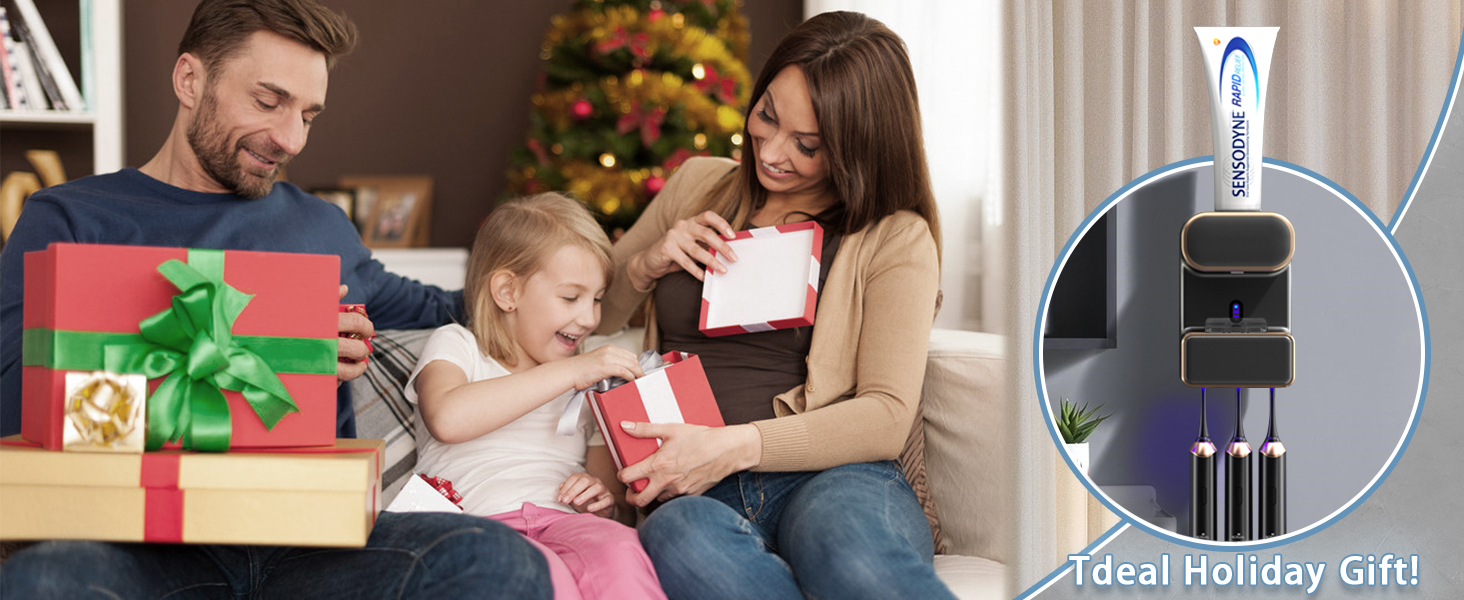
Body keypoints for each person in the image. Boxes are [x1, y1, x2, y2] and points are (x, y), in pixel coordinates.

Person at [0, 1, 550, 597]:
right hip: (144, 545)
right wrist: (268, 355)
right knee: (44, 579)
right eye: (268, 101)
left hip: (313, 542)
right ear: (191, 80)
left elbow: (474, 306)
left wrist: (635, 262)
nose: (290, 139)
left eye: (309, 115)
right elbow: (12, 405)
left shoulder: (322, 229)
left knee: (497, 559)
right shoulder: (72, 219)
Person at [595, 11, 957, 600]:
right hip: (696, 491)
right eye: (766, 115)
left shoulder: (894, 238)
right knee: (679, 538)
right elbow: (596, 313)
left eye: (807, 144)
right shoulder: (697, 186)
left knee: (850, 547)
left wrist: (735, 446)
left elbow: (887, 415)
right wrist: (645, 263)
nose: (771, 150)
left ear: (857, 149)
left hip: (835, 476)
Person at [408, 193, 666, 600]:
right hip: (479, 527)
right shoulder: (459, 345)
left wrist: (603, 501)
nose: (590, 318)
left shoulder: (591, 382)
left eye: (597, 299)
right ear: (507, 292)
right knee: (542, 580)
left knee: (621, 554)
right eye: (570, 297)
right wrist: (571, 371)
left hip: (565, 523)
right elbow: (448, 418)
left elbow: (614, 500)